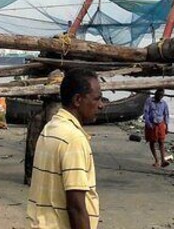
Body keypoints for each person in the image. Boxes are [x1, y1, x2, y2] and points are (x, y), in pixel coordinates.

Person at [27, 68, 104, 229]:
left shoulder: (50, 128)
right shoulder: (73, 139)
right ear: (77, 100)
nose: (101, 105)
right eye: (96, 99)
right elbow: (76, 206)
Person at [143, 88, 170, 168]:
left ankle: (163, 160)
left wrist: (166, 126)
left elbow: (166, 115)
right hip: (152, 123)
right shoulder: (149, 101)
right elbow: (146, 113)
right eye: (159, 95)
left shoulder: (164, 103)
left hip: (160, 124)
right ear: (156, 93)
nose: (160, 97)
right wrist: (148, 123)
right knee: (152, 142)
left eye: (162, 95)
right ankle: (156, 160)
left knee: (161, 141)